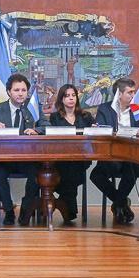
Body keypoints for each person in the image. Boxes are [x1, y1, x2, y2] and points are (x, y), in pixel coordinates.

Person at [0, 73, 45, 226]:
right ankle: (8, 210)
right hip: (4, 158)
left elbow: (45, 126)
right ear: (9, 92)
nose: (20, 94)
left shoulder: (33, 108)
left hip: (28, 159)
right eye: (16, 90)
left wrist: (36, 130)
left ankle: (26, 209)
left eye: (23, 90)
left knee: (37, 175)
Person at [90, 77, 139, 225]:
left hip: (136, 158)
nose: (133, 95)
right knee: (95, 175)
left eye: (134, 92)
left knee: (130, 169)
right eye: (130, 92)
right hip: (112, 157)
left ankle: (118, 205)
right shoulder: (105, 109)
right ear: (119, 94)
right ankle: (122, 203)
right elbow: (102, 131)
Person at [48, 83, 93, 223]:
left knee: (73, 166)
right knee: (68, 167)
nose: (71, 98)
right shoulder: (55, 117)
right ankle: (69, 210)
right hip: (61, 157)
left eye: (73, 95)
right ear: (61, 99)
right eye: (67, 96)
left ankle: (62, 203)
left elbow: (93, 133)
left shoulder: (86, 116)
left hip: (81, 157)